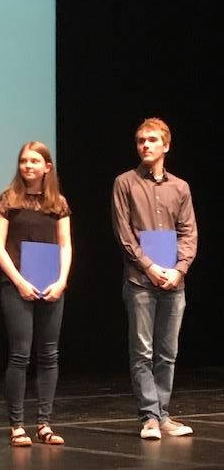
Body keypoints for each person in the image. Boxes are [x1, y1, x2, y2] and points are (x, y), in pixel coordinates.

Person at [112, 118, 197, 440]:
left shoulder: (180, 187)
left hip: (174, 281)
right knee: (142, 352)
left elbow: (189, 232)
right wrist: (149, 266)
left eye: (151, 140)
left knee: (167, 353)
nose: (144, 145)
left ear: (166, 145)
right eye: (140, 141)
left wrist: (180, 269)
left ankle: (163, 415)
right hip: (140, 280)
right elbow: (124, 233)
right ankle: (150, 416)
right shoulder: (125, 182)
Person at [0, 141, 72, 446]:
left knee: (49, 354)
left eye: (34, 161)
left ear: (46, 167)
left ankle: (44, 423)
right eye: (23, 160)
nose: (27, 165)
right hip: (17, 285)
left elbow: (65, 245)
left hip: (52, 283)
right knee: (20, 354)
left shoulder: (58, 203)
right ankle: (17, 426)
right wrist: (19, 281)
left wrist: (62, 280)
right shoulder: (8, 200)